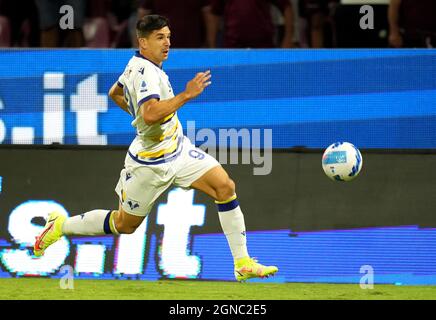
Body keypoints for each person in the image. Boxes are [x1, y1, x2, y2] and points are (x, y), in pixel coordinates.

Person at [33, 14, 278, 282]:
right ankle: (61, 225)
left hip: (178, 150)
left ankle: (242, 262)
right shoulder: (147, 72)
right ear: (143, 42)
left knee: (225, 187)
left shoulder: (136, 64)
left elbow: (115, 92)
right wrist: (185, 95)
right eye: (160, 37)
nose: (167, 43)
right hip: (149, 164)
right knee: (125, 225)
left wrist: (139, 117)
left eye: (169, 36)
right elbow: (150, 114)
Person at [206, 0, 295, 48]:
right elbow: (214, 13)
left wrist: (288, 38)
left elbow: (286, 7)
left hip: (262, 47)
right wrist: (212, 46)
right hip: (232, 47)